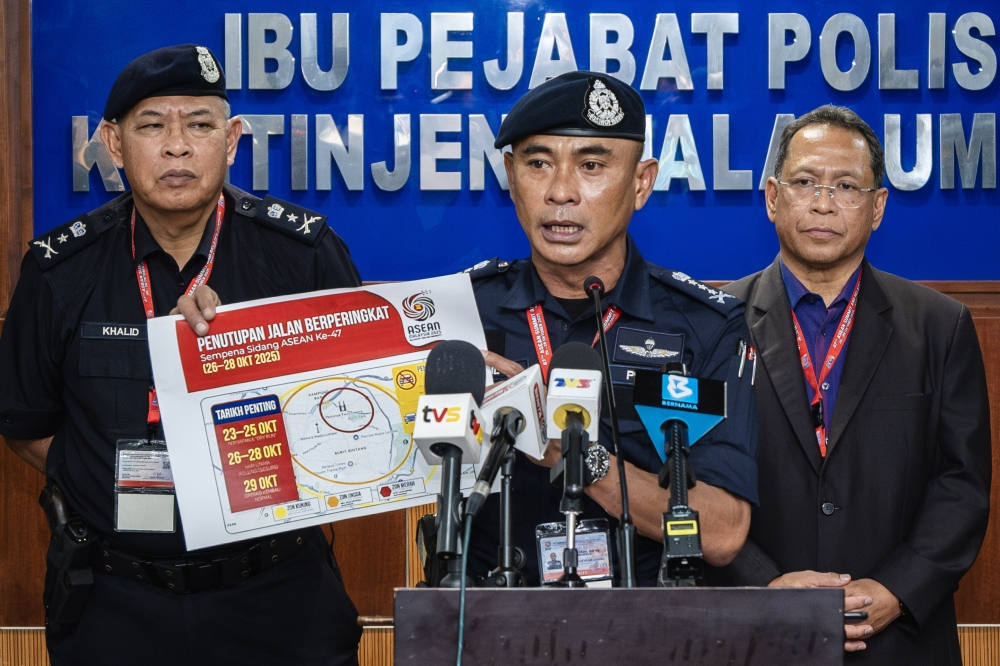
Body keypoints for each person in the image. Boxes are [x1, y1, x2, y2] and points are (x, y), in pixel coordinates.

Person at [0, 45, 363, 665]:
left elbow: (356, 409)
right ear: (113, 145)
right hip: (115, 604)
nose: (177, 146)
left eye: (200, 124)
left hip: (277, 598)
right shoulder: (60, 269)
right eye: (152, 126)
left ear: (232, 139)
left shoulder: (303, 255)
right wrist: (108, 485)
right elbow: (27, 427)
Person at [707, 105, 992, 664]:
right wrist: (765, 586)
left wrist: (894, 591)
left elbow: (962, 485)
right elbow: (685, 482)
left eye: (846, 186)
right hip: (753, 634)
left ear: (878, 206)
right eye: (805, 182)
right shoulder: (712, 325)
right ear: (771, 197)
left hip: (899, 640)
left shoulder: (940, 326)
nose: (823, 203)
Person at [465, 71, 759, 587]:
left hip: (650, 632)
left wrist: (574, 454)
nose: (560, 193)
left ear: (641, 182)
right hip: (484, 620)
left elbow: (721, 531)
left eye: (592, 166)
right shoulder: (461, 314)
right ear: (511, 176)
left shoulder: (704, 325)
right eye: (537, 164)